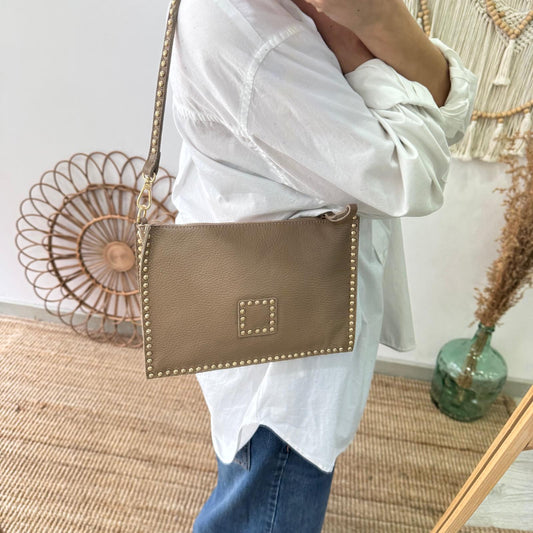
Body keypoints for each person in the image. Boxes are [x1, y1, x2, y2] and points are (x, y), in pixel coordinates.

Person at [167, 0, 479, 531]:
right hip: (287, 349)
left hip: (277, 301)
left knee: (252, 481)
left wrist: (379, 22)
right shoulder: (260, 37)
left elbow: (449, 112)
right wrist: (370, 34)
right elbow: (416, 176)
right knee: (266, 495)